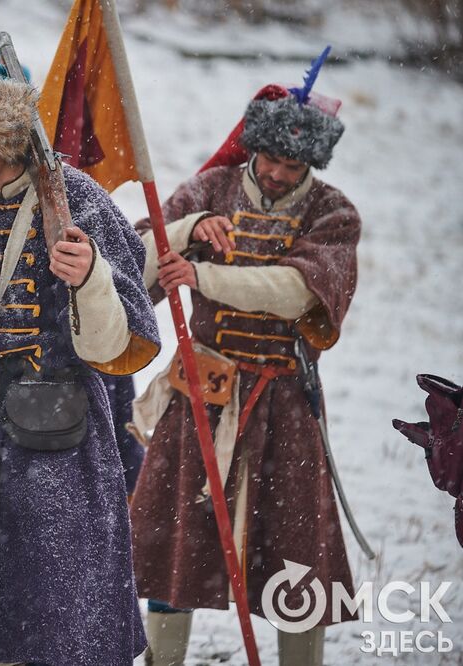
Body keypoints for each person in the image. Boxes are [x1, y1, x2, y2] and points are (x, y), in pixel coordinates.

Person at [0, 56, 160, 665]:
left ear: (4, 134)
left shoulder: (80, 203)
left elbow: (110, 347)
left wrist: (91, 277)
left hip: (66, 436)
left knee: (67, 618)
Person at [129, 67, 361, 666]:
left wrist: (203, 274)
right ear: (254, 147)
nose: (279, 173)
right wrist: (184, 233)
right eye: (271, 159)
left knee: (296, 554)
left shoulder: (333, 213)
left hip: (284, 401)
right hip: (198, 397)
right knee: (170, 543)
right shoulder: (209, 188)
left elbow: (296, 291)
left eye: (293, 165)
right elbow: (138, 264)